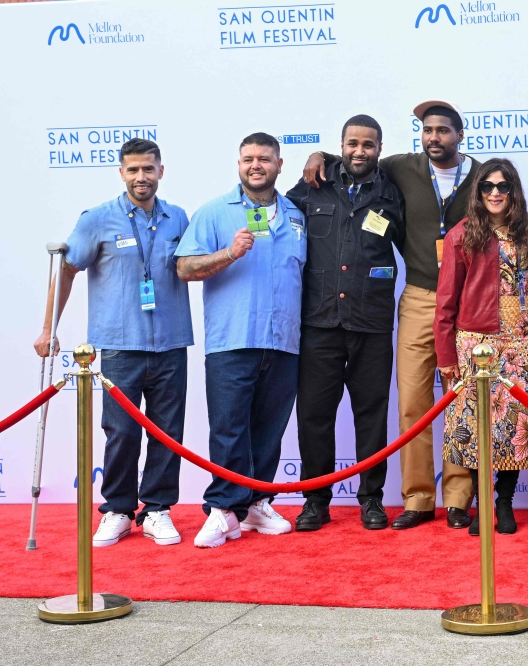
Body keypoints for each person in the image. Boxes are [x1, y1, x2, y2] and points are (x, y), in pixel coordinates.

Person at [302, 100, 478, 530]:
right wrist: (318, 156)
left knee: (463, 402)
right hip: (418, 298)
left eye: (442, 130)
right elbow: (349, 159)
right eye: (426, 129)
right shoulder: (404, 168)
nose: (433, 136)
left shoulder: (479, 177)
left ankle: (458, 498)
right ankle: (417, 499)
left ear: (459, 134)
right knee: (411, 404)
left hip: (468, 301)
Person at [33, 138, 192, 548]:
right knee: (121, 431)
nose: (142, 177)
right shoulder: (97, 219)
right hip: (120, 346)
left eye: (149, 169)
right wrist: (48, 326)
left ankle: (157, 509)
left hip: (172, 342)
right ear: (122, 173)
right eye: (133, 170)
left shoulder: (178, 218)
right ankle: (119, 510)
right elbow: (67, 270)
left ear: (161, 171)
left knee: (167, 432)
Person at [175, 132, 306, 548]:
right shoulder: (215, 212)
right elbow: (184, 268)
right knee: (230, 429)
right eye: (248, 158)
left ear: (279, 165)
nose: (256, 165)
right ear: (238, 164)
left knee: (269, 429)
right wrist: (228, 254)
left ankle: (256, 502)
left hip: (283, 340)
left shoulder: (296, 215)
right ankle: (221, 508)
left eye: (264, 158)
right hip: (232, 340)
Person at [285, 115, 404, 532]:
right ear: (341, 145)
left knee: (371, 415)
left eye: (368, 145)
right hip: (318, 323)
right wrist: (319, 156)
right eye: (351, 143)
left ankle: (371, 499)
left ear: (379, 149)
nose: (359, 151)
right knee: (314, 416)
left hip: (371, 323)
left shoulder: (393, 193)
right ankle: (315, 500)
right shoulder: (311, 187)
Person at [434, 158, 528, 536]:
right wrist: (446, 357)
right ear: (478, 192)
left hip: (522, 343)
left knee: (513, 428)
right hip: (477, 344)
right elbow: (445, 302)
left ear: (514, 190)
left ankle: (505, 502)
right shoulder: (461, 235)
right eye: (487, 186)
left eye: (503, 186)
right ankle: (481, 505)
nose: (495, 193)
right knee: (478, 428)